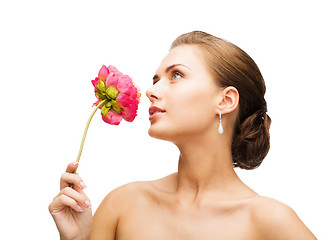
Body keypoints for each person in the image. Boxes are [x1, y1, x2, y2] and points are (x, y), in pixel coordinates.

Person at [49, 31, 316, 239]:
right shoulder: (122, 205)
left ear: (225, 100)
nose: (151, 91)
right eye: (155, 80)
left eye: (176, 75)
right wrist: (78, 239)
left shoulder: (270, 221)